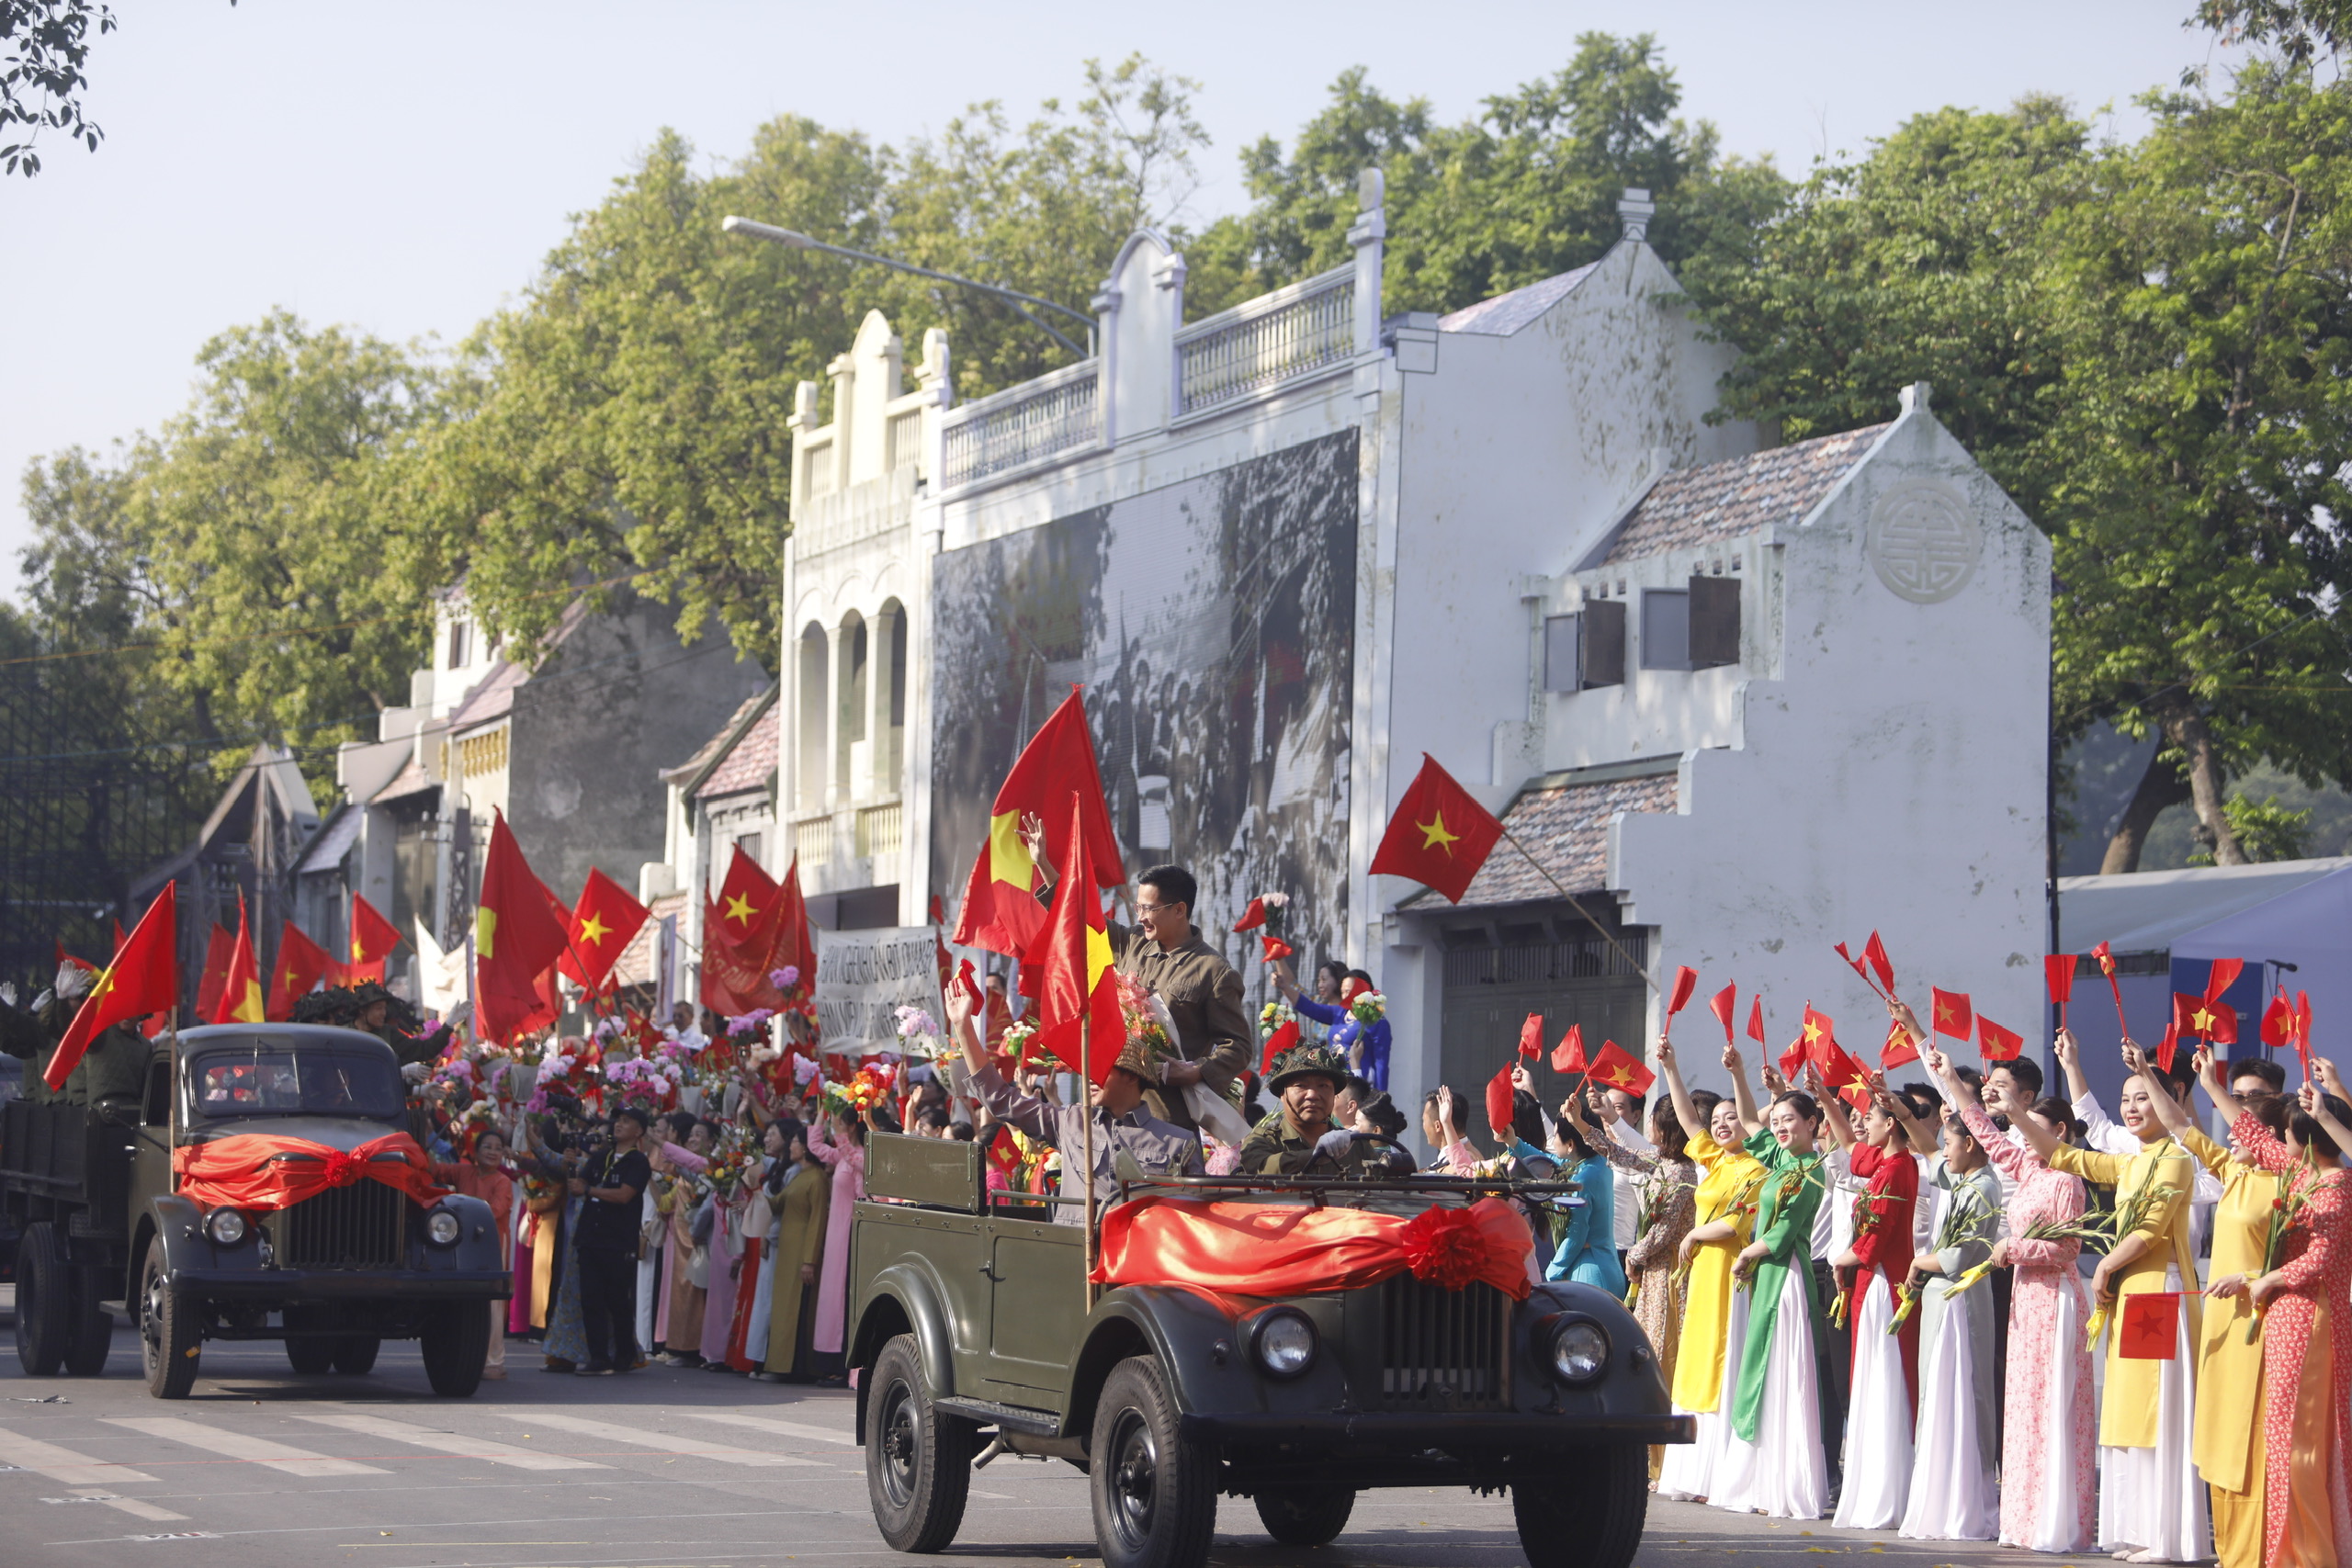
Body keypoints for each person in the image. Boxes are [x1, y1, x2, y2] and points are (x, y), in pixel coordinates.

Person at [2009, 1043, 2204, 1563]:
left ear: (2169, 1103)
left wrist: (2108, 1269)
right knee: (2128, 1414)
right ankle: (2140, 1531)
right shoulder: (2134, 1161)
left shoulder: (2177, 1160)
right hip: (2129, 1296)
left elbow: (2149, 1229)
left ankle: (2164, 1537)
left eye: (2145, 1097)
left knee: (2153, 1413)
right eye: (2127, 1098)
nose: (2133, 1107)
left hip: (2157, 1294)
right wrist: (2011, 1115)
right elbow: (2065, 1154)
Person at [1935, 1052, 2096, 1553]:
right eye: (2023, 1132)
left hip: (2057, 1297)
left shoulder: (2067, 1180)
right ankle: (2023, 1521)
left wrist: (2017, 1248)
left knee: (2053, 1404)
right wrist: (1950, 1083)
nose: (2024, 1139)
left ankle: (2059, 1520)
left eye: (2035, 1130)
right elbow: (1984, 1131)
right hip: (2026, 1295)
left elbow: (2069, 1248)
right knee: (2024, 1405)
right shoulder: (2027, 1171)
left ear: (2061, 1135)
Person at [2197, 1055, 2352, 1568]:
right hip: (2286, 1316)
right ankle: (2280, 1547)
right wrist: (2210, 1086)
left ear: (2305, 1141)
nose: (2276, 1144)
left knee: (2298, 1442)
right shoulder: (2301, 1173)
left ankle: (2305, 1553)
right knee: (2281, 1437)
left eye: (2287, 1135)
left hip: (2311, 1320)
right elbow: (2252, 1133)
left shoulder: (2334, 1189)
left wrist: (2264, 1279)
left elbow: (2318, 1261)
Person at [2135, 1043, 2283, 1568]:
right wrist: (2151, 1077)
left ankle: (2260, 1547)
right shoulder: (2235, 1173)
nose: (2236, 1117)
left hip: (2262, 1323)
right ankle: (2231, 1547)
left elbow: (2302, 1264)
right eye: (2234, 1102)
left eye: (2250, 1107)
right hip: (2220, 1321)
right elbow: (2181, 1127)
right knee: (2217, 1433)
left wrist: (2248, 1278)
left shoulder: (2288, 1185)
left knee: (2252, 1437)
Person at [1019, 820, 1250, 1137]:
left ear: (1180, 909)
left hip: (1168, 1119)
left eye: (1148, 908)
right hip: (1111, 1109)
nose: (1140, 916)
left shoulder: (1214, 971)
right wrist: (1043, 864)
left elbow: (1238, 1046)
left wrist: (1197, 1071)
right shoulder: (1131, 942)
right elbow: (1079, 919)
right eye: (1138, 906)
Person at [955, 970, 1204, 1211]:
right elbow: (1000, 1099)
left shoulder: (1179, 1144)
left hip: (1137, 1252)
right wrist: (963, 1026)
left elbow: (1191, 1221)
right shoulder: (1070, 1122)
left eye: (1101, 1068)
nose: (1089, 1078)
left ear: (1131, 1076)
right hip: (1073, 1251)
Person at [1884, 1061, 2004, 1543]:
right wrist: (1904, 1115)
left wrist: (1919, 1264)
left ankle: (1968, 1502)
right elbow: (1931, 1150)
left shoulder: (1984, 1185)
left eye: (1952, 1142)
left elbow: (1964, 1254)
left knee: (1963, 1395)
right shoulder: (1961, 1176)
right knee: (1939, 1396)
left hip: (1960, 1299)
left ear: (1971, 1145)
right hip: (1940, 1300)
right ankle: (1938, 1496)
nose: (1943, 1152)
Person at [1717, 1042, 1831, 1521]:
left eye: (1791, 1120)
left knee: (1780, 1375)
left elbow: (1783, 1233)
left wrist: (1746, 1251)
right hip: (1765, 1274)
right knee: (1758, 1376)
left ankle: (1788, 1484)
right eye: (1779, 1120)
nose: (1782, 1127)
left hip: (1784, 1279)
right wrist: (1741, 1075)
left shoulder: (1811, 1169)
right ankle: (1758, 1480)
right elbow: (1749, 1125)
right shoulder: (1782, 1161)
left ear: (1813, 1125)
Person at [1655, 1033, 1766, 1506]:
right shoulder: (1715, 1159)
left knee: (1721, 1359)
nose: (1721, 1126)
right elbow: (1685, 1117)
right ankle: (1689, 1473)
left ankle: (1719, 1473)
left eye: (1729, 1119)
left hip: (1729, 1273)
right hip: (1699, 1277)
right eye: (1715, 1121)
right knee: (1695, 1362)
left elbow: (1738, 1223)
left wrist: (1697, 1234)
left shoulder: (1756, 1168)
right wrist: (1671, 1068)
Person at [1817, 1063, 1921, 1532]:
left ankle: (1886, 1491)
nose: (1864, 1125)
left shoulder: (1899, 1168)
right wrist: (1823, 1096)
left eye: (1873, 1119)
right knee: (1867, 1382)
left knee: (1882, 1382)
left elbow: (1876, 1239)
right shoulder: (1882, 1164)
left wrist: (1844, 1258)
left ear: (1891, 1124)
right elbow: (1851, 1151)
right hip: (1869, 1280)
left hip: (1881, 1282)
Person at [1596, 1083, 1696, 1481]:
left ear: (1662, 1127)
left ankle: (1667, 1462)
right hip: (1652, 1273)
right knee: (1651, 1350)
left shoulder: (1683, 1172)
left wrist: (1635, 1256)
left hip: (1668, 1273)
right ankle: (1653, 1460)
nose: (1650, 1127)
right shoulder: (1659, 1161)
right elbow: (1619, 1154)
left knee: (1664, 1353)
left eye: (1654, 1121)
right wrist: (1588, 1124)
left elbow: (1665, 1230)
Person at [431, 1122, 515, 1381]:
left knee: (491, 1305)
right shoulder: (464, 1172)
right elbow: (434, 1169)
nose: (492, 1152)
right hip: (463, 1245)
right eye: (487, 1147)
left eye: (498, 1148)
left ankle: (494, 1361)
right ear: (475, 1151)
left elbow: (496, 1211)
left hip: (492, 1244)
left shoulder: (503, 1181)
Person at [571, 1105, 650, 1375]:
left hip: (618, 1242)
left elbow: (624, 1195)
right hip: (591, 1238)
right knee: (591, 1299)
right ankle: (598, 1357)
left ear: (638, 1131)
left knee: (618, 1300)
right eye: (618, 1120)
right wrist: (572, 1171)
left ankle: (625, 1353)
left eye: (626, 1121)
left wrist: (590, 1189)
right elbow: (577, 1183)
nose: (618, 1124)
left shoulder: (637, 1162)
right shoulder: (602, 1156)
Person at [1239, 1043, 1396, 1178]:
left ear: (1335, 1094)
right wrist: (1315, 1155)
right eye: (1301, 1085)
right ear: (1282, 1094)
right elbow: (1259, 1167)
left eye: (1323, 1086)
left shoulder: (1357, 1146)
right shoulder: (1263, 1139)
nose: (1313, 1095)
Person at [760, 1119, 831, 1382]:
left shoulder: (818, 1178)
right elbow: (777, 1204)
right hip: (788, 1252)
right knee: (783, 1308)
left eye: (795, 1142)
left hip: (801, 1251)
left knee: (796, 1309)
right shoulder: (800, 1176)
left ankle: (795, 1368)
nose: (791, 1146)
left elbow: (817, 1221)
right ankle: (779, 1365)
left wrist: (809, 1261)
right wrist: (754, 1195)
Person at [805, 1105, 868, 1382]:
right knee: (830, 1296)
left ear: (852, 1126)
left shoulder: (861, 1156)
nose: (835, 1127)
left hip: (850, 1231)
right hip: (835, 1234)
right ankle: (828, 1358)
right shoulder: (842, 1156)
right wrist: (822, 1112)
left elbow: (860, 1179)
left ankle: (842, 1364)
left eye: (838, 1122)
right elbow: (815, 1146)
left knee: (843, 1295)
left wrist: (841, 1136)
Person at [1548, 1094, 1628, 1293]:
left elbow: (1576, 1235)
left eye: (1556, 1135)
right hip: (1609, 1269)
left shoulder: (1582, 1180)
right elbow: (1547, 1159)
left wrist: (1553, 1270)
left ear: (1570, 1145)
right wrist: (1515, 1143)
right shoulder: (1600, 1164)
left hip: (1589, 1274)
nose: (1552, 1140)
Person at [1272, 961, 1394, 1090]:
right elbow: (1308, 1007)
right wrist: (1284, 986)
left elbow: (1381, 1063)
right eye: (1343, 992)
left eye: (1349, 991)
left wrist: (1381, 1096)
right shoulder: (1339, 1013)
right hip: (1336, 1084)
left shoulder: (1377, 1022)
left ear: (1363, 991)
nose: (1345, 996)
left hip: (1361, 1087)